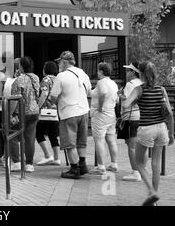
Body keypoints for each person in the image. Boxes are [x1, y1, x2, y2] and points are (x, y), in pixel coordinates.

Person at [121, 61, 174, 206]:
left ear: (141, 74)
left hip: (146, 128)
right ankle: (154, 201)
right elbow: (169, 113)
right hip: (162, 128)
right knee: (156, 163)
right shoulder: (161, 89)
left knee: (138, 163)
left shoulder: (139, 89)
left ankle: (152, 192)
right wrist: (171, 134)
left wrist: (124, 98)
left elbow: (126, 105)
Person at [49, 51, 92, 179]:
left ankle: (74, 169)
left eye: (59, 62)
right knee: (81, 141)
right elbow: (89, 91)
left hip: (68, 113)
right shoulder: (83, 73)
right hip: (84, 111)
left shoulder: (61, 76)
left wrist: (57, 102)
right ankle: (82, 164)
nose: (58, 64)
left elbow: (53, 96)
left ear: (65, 62)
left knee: (69, 144)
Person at [9, 56, 40, 173]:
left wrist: (10, 114)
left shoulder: (19, 80)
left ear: (21, 66)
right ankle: (29, 164)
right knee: (30, 138)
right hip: (34, 111)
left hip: (21, 112)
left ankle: (16, 162)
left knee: (12, 134)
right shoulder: (35, 77)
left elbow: (14, 99)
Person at [89, 62, 119, 175]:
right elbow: (116, 100)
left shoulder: (101, 82)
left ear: (101, 71)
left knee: (99, 140)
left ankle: (101, 167)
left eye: (98, 70)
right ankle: (114, 164)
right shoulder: (113, 83)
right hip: (111, 113)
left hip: (101, 114)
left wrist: (100, 107)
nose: (97, 72)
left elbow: (103, 93)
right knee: (111, 140)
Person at [121, 62, 143, 182]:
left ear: (133, 72)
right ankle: (140, 169)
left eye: (128, 70)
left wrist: (122, 97)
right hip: (142, 117)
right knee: (140, 146)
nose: (127, 72)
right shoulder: (143, 83)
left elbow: (127, 103)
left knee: (131, 146)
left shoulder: (130, 84)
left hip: (131, 117)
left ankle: (136, 172)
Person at [36, 61, 61, 166]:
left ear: (46, 69)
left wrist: (38, 106)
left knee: (39, 133)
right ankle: (57, 158)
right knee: (53, 135)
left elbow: (44, 94)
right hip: (56, 111)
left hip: (45, 111)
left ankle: (47, 155)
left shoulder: (46, 80)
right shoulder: (58, 79)